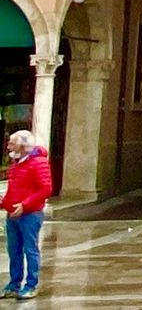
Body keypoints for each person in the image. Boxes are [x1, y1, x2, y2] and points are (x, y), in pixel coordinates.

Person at [3, 128, 51, 300]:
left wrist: (25, 205)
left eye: (12, 143)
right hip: (13, 214)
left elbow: (46, 188)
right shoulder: (16, 164)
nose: (8, 146)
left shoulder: (38, 163)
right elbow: (13, 190)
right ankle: (14, 285)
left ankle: (31, 285)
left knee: (30, 250)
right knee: (14, 250)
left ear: (23, 146)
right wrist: (5, 203)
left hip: (30, 214)